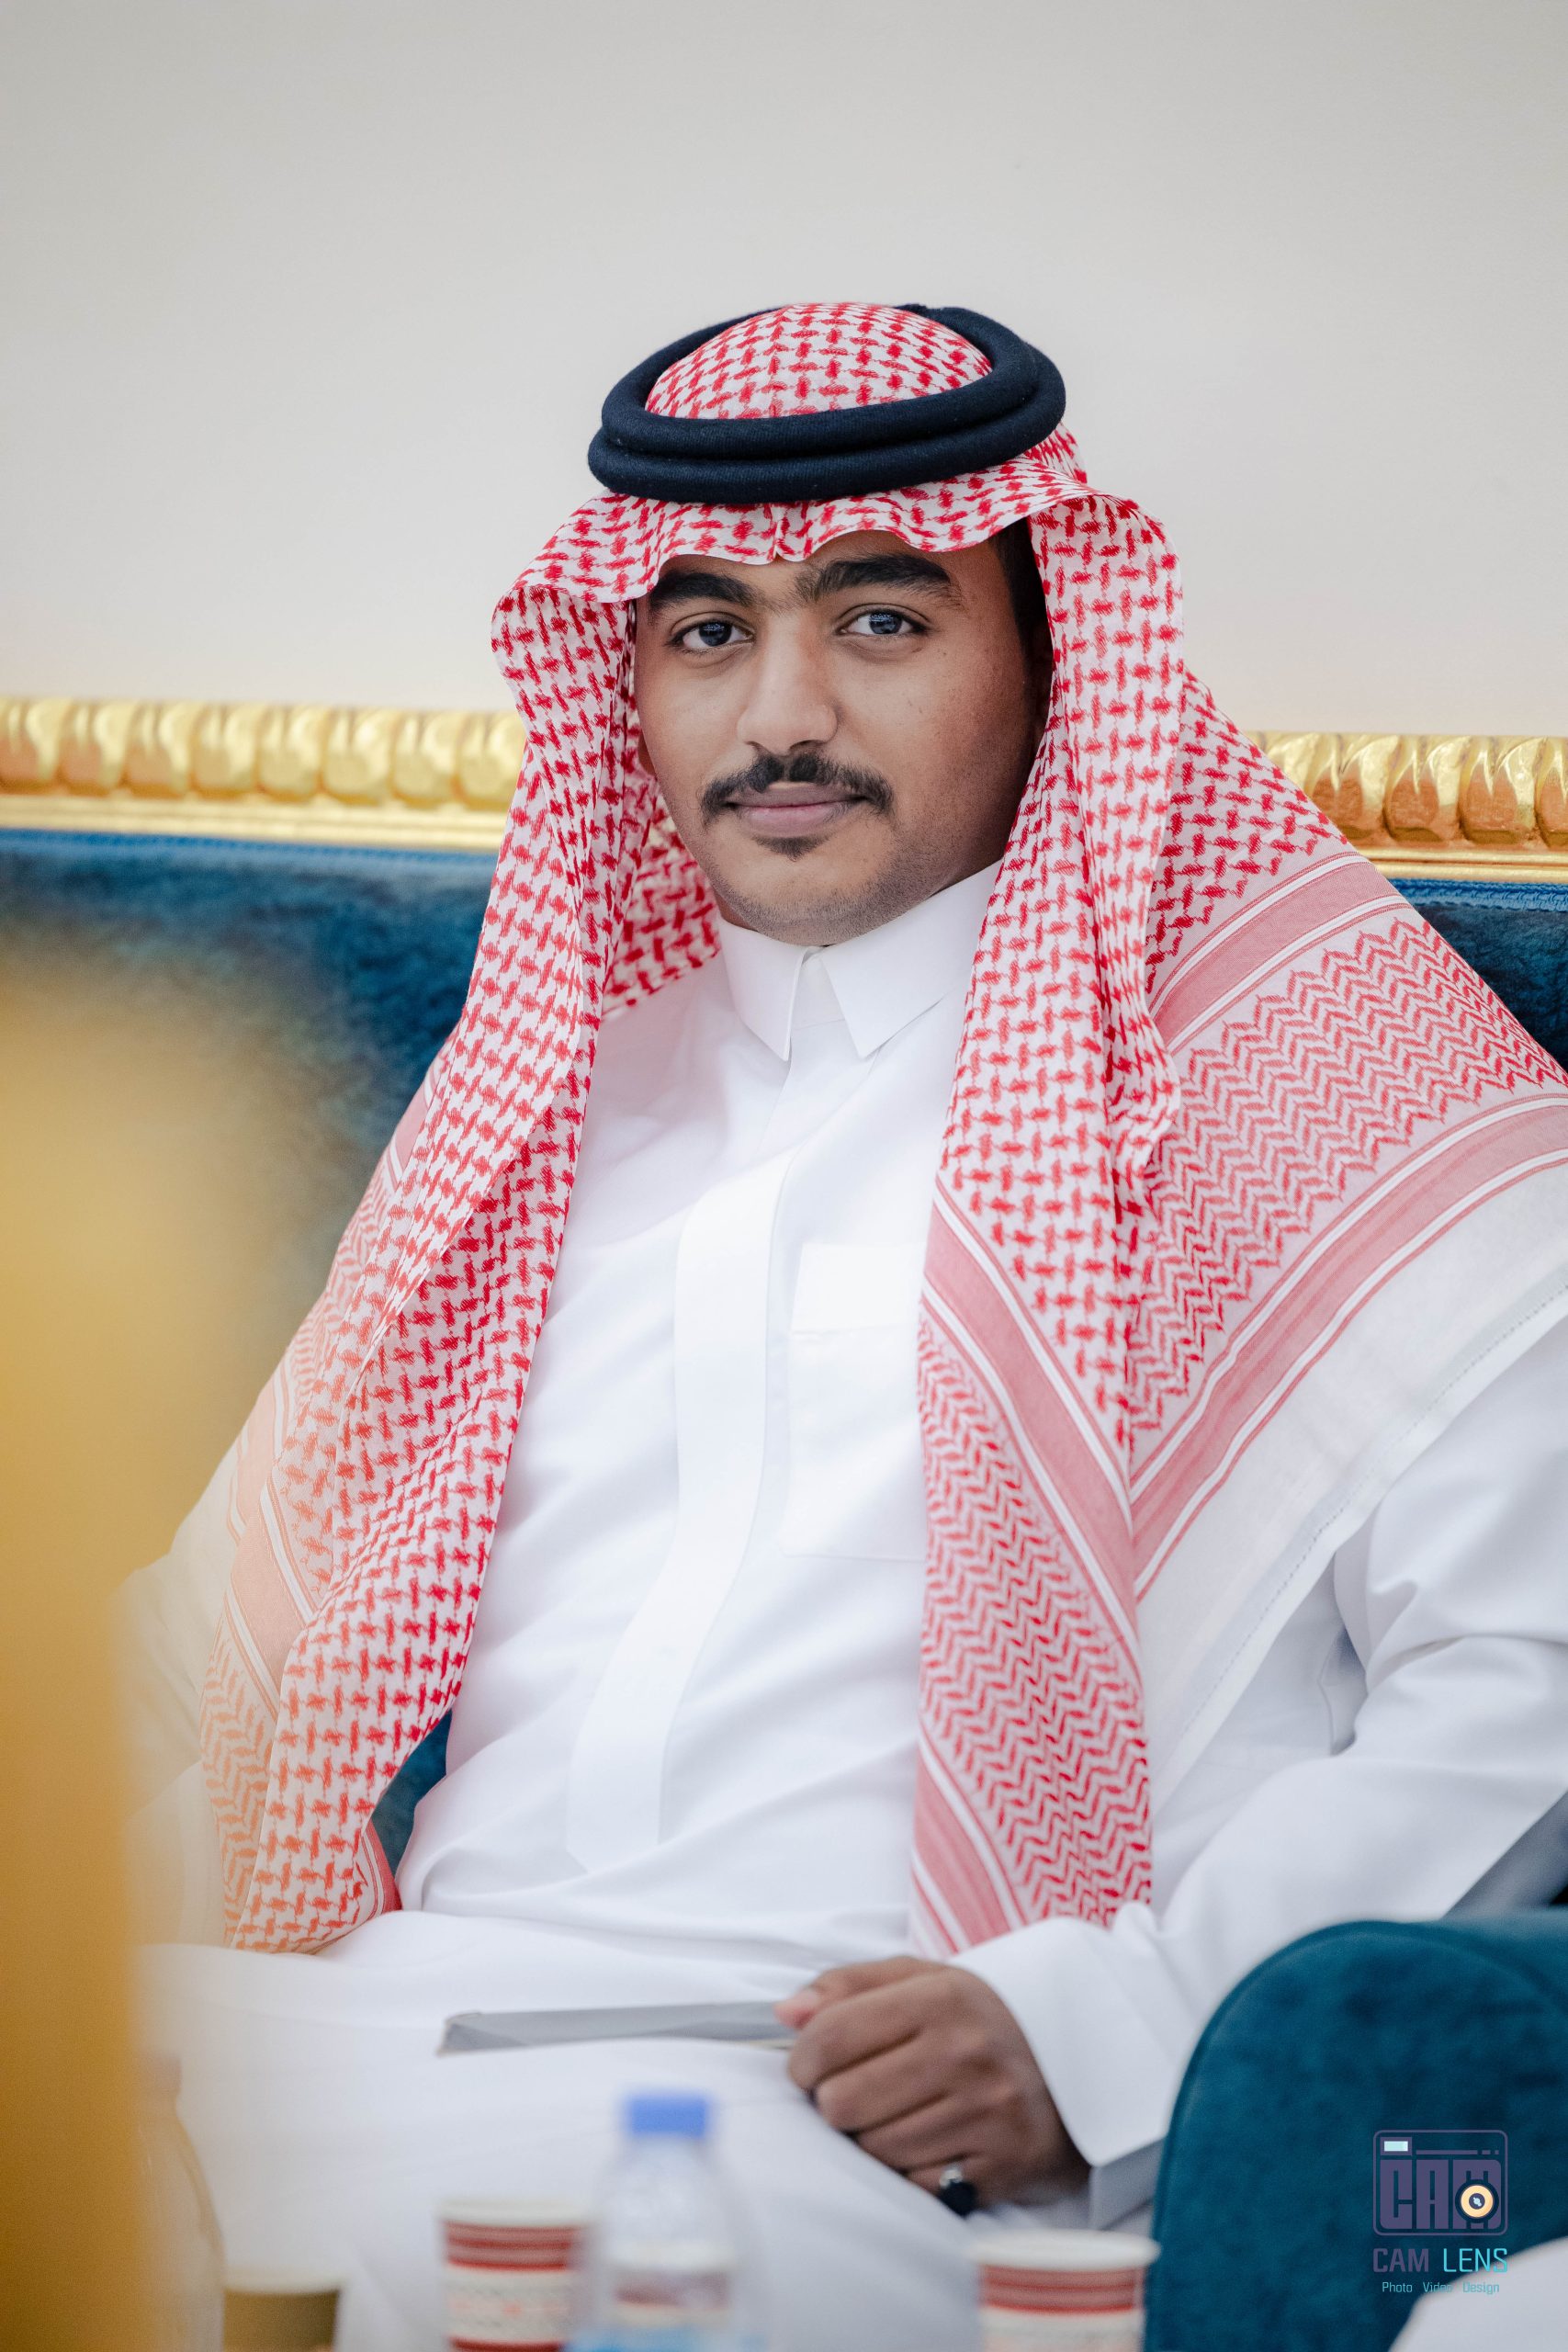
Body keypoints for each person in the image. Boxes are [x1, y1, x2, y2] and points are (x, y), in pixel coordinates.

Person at [120, 302, 1568, 2352]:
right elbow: (195, 1658)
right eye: (707, 629)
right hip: (339, 2028)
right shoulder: (545, 1103)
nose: (779, 713)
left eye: (880, 621)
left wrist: (1105, 2026)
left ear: (1051, 651)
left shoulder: (1334, 1098)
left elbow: (1518, 1690)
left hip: (825, 2127)